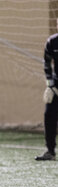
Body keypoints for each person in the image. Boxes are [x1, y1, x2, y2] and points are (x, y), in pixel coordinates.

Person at [36, 19, 58, 161]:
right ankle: (50, 151)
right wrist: (50, 85)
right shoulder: (52, 42)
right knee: (49, 115)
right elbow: (46, 63)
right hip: (56, 87)